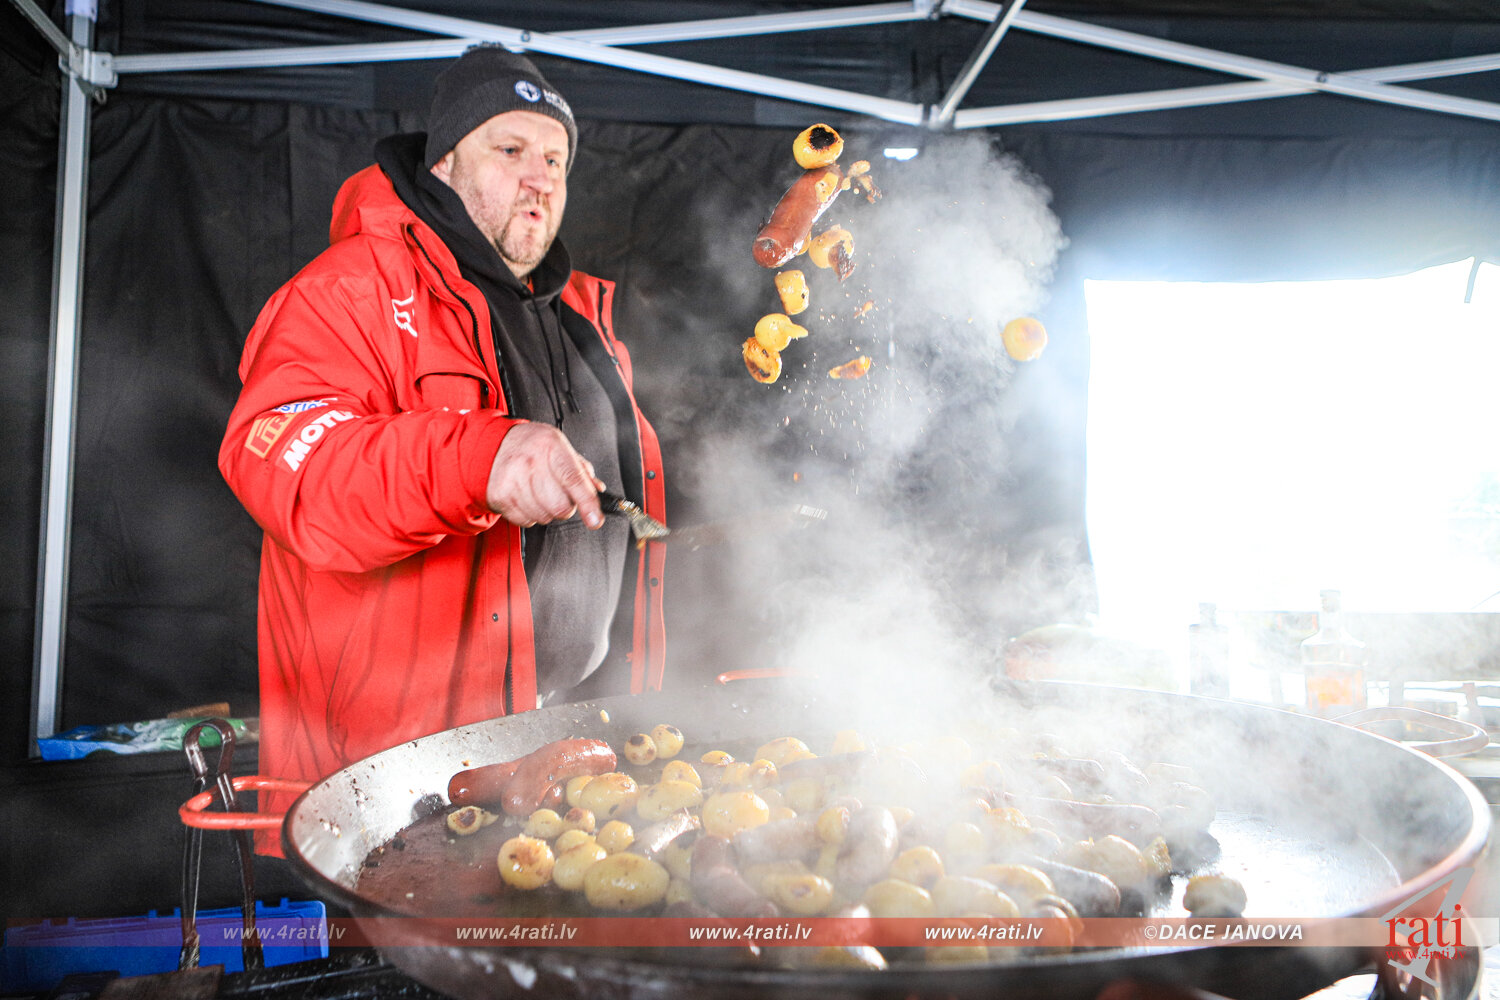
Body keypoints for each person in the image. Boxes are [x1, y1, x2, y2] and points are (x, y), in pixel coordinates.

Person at [218, 46, 666, 853]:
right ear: (446, 162)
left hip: (569, 743)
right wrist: (480, 460)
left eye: (555, 160)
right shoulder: (346, 292)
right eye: (511, 149)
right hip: (407, 774)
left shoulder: (582, 319)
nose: (540, 179)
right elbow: (301, 479)